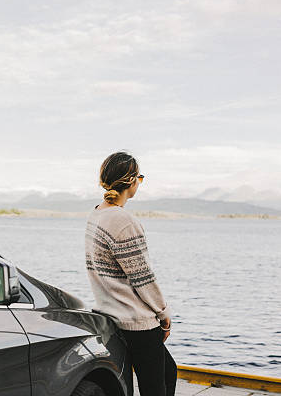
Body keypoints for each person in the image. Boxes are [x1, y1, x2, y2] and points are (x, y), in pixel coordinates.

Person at [85, 151, 177, 396]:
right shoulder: (123, 221)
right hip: (136, 322)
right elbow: (143, 278)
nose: (140, 182)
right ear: (131, 181)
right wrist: (163, 312)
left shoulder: (96, 214)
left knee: (168, 371)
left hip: (111, 314)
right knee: (156, 388)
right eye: (140, 177)